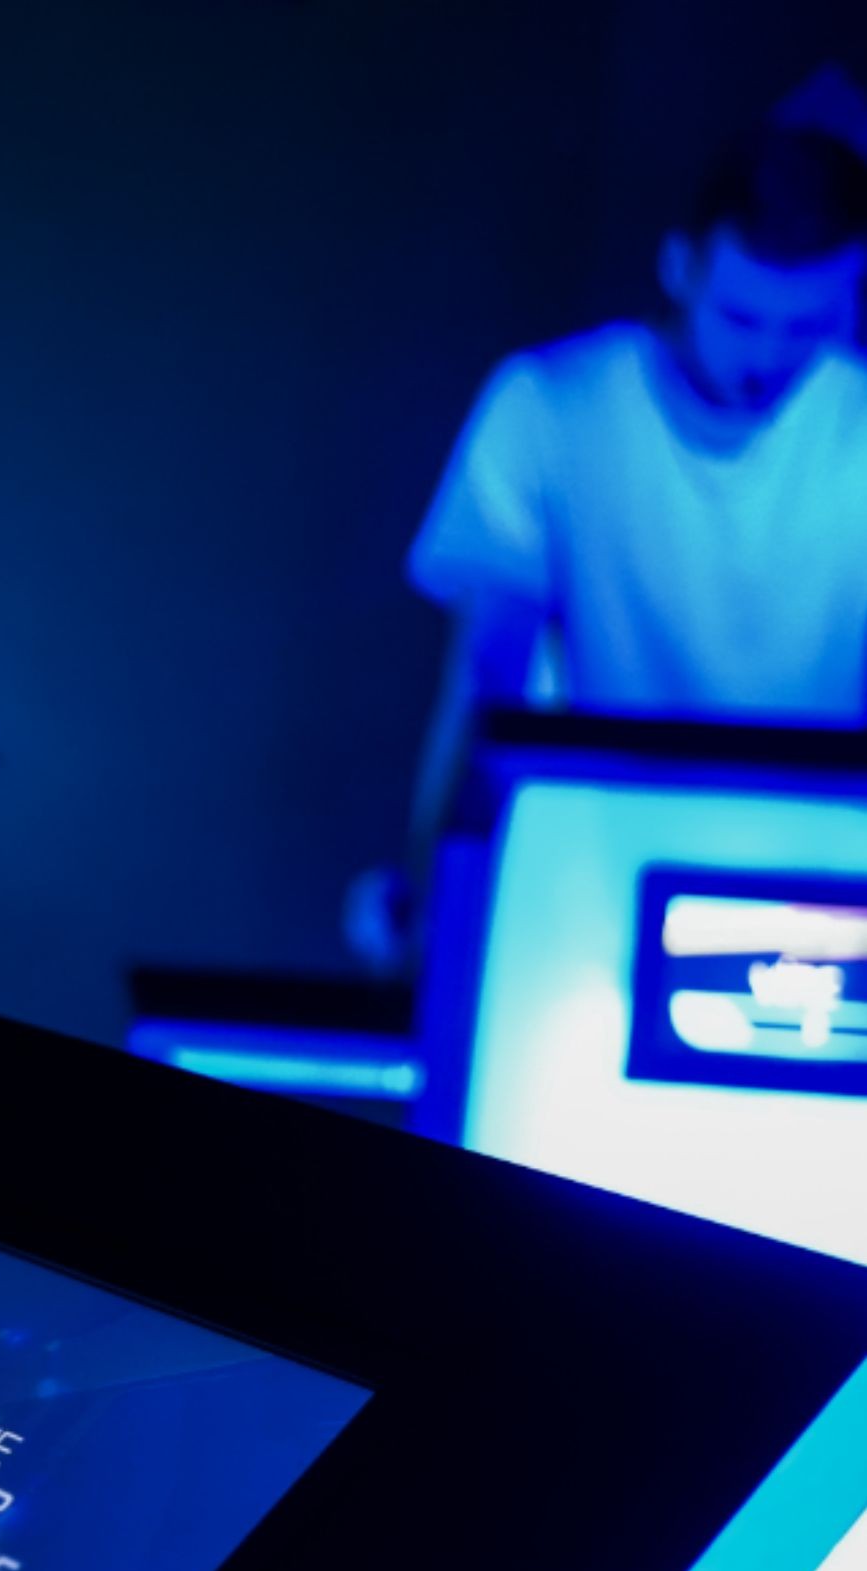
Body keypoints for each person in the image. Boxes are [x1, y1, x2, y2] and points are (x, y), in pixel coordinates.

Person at [353, 124, 867, 970]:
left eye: (807, 326)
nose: (769, 358)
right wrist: (440, 888)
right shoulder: (549, 406)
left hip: (826, 893)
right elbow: (486, 678)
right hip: (596, 880)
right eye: (740, 317)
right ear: (678, 267)